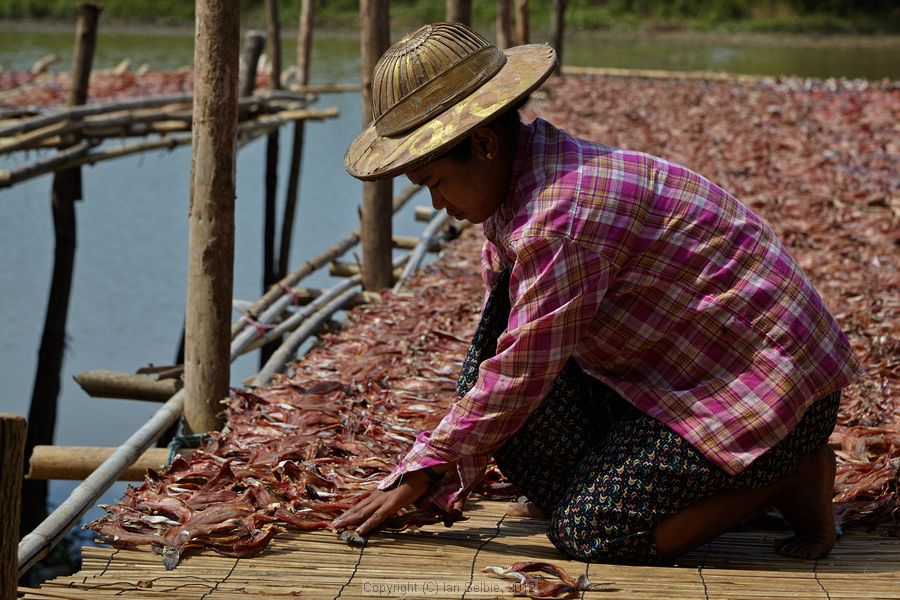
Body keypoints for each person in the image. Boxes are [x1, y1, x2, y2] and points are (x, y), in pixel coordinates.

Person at [332, 22, 862, 564]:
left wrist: (422, 470)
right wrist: (443, 468)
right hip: (672, 380)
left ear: (485, 143)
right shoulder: (519, 184)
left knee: (591, 531)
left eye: (434, 182)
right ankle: (629, 489)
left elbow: (521, 372)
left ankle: (789, 477)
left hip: (770, 397)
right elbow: (506, 356)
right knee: (488, 364)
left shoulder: (558, 217)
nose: (438, 202)